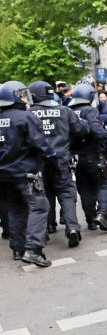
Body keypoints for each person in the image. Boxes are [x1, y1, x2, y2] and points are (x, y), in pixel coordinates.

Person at [0, 81, 57, 266]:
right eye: (22, 95)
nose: (25, 98)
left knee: (15, 209)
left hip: (5, 175)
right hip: (26, 172)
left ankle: (18, 248)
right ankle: (33, 249)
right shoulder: (25, 117)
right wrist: (53, 159)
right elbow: (41, 145)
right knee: (39, 207)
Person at [29, 81, 89, 247]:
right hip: (61, 160)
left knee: (43, 194)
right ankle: (72, 228)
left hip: (39, 163)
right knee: (66, 193)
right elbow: (81, 130)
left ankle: (48, 226)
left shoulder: (29, 113)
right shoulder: (65, 111)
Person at [69, 83, 107, 232]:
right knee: (105, 184)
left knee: (85, 189)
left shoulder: (68, 111)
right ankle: (102, 214)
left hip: (76, 157)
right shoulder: (89, 110)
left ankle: (90, 220)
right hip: (92, 154)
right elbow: (96, 130)